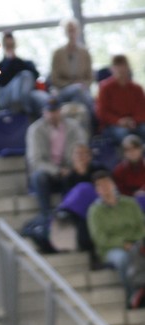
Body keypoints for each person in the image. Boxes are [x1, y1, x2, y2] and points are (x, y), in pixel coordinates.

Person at [26, 96, 86, 234]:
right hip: (48, 172)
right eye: (50, 111)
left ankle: (72, 213)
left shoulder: (73, 127)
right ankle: (45, 214)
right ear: (44, 112)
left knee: (76, 175)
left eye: (56, 111)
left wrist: (70, 168)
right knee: (39, 176)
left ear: (61, 111)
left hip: (69, 169)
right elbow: (35, 161)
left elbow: (81, 150)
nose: (53, 114)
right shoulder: (35, 130)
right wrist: (57, 171)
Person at [86, 171, 145, 308]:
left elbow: (141, 226)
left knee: (137, 252)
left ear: (113, 184)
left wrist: (134, 242)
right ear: (97, 190)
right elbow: (99, 238)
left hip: (136, 243)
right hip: (111, 249)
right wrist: (123, 243)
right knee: (124, 259)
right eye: (100, 185)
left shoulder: (130, 203)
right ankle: (132, 296)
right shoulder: (95, 211)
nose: (105, 187)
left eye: (107, 183)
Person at [0, 31, 46, 116]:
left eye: (11, 45)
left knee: (43, 98)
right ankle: (21, 108)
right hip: (7, 99)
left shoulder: (25, 63)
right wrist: (9, 61)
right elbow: (1, 81)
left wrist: (16, 61)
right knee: (24, 76)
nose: (10, 48)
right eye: (7, 46)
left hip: (27, 96)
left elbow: (35, 76)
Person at [96, 55, 145, 145]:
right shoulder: (105, 88)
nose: (121, 70)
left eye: (123, 66)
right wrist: (119, 121)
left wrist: (134, 121)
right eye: (117, 67)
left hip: (135, 123)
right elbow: (102, 113)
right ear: (112, 69)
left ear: (128, 68)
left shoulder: (137, 89)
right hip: (112, 125)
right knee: (123, 134)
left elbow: (142, 110)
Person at [49, 18, 94, 113]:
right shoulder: (58, 54)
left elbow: (90, 77)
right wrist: (73, 85)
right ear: (65, 32)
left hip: (82, 90)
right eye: (69, 30)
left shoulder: (85, 53)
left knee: (80, 98)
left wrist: (82, 84)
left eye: (73, 30)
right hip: (63, 91)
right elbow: (55, 79)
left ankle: (77, 122)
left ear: (78, 31)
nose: (71, 33)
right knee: (80, 93)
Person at [112, 135, 145, 204]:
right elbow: (119, 192)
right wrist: (134, 195)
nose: (132, 152)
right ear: (124, 153)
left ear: (141, 149)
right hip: (128, 203)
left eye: (135, 148)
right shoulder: (119, 170)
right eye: (128, 150)